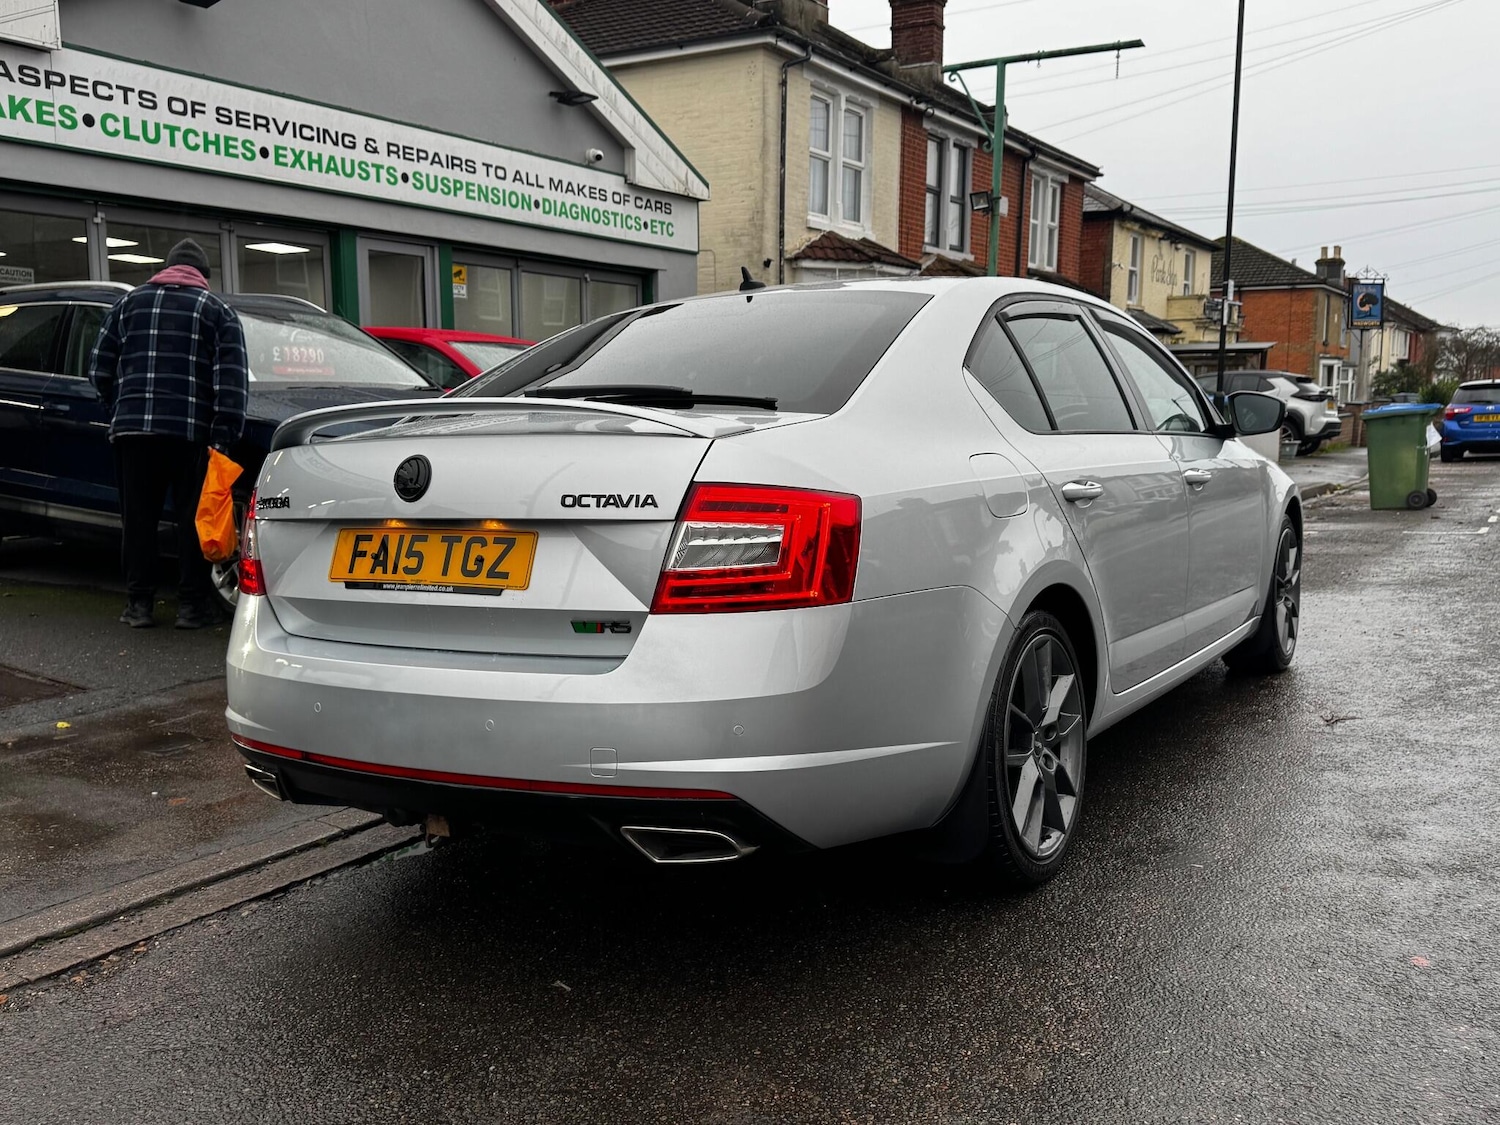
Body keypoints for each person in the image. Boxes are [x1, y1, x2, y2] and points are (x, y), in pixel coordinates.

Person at [89, 239, 248, 629]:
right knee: (192, 520)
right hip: (191, 435)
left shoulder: (126, 305)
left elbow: (98, 370)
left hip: (133, 434)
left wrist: (120, 411)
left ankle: (138, 606)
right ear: (203, 276)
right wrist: (224, 435)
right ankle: (191, 607)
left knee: (138, 520)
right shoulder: (218, 312)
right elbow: (231, 384)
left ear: (166, 268)